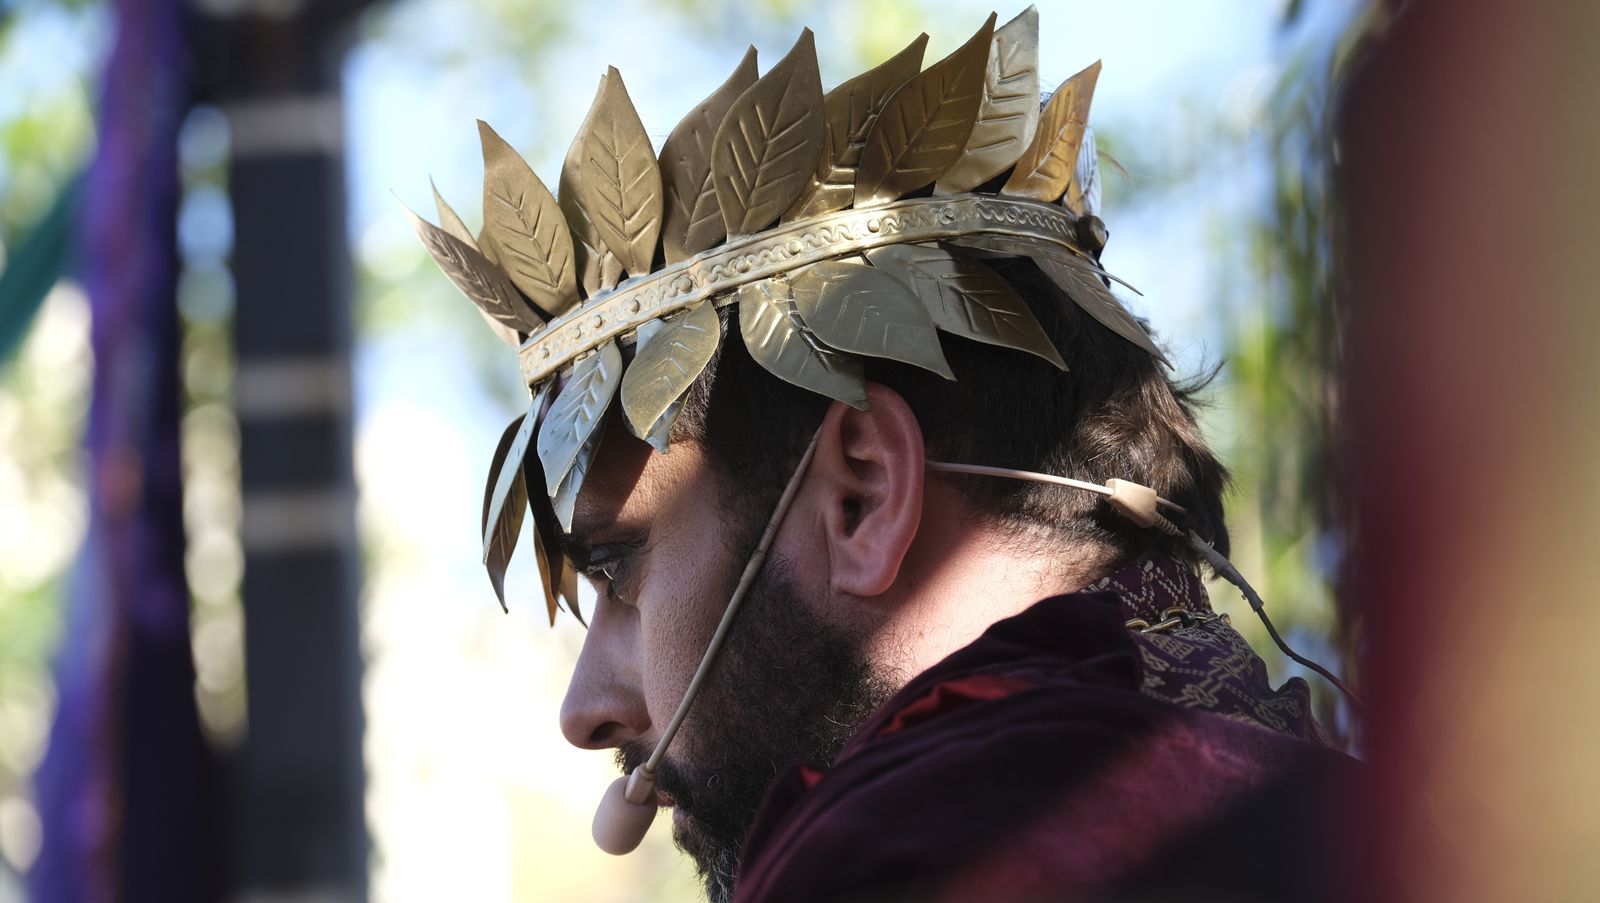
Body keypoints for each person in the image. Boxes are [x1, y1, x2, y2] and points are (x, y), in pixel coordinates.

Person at [411, 9, 1356, 901]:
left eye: (618, 569)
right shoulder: (1381, 819)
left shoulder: (910, 846)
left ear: (862, 493)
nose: (586, 711)